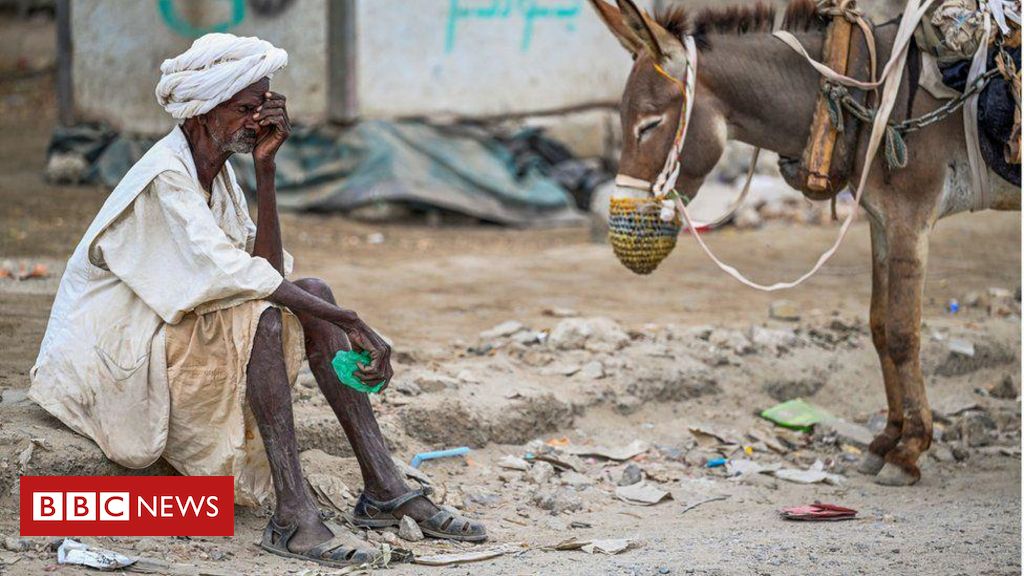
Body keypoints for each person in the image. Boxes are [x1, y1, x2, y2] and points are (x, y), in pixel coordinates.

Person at [29, 33, 485, 568]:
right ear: (202, 112)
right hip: (109, 360)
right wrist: (351, 320)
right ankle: (293, 514)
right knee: (267, 317)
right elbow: (235, 277)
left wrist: (266, 170)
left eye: (263, 108)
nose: (258, 121)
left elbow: (265, 269)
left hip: (160, 337)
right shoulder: (163, 179)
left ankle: (385, 487)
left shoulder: (218, 178)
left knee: (312, 292)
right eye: (246, 109)